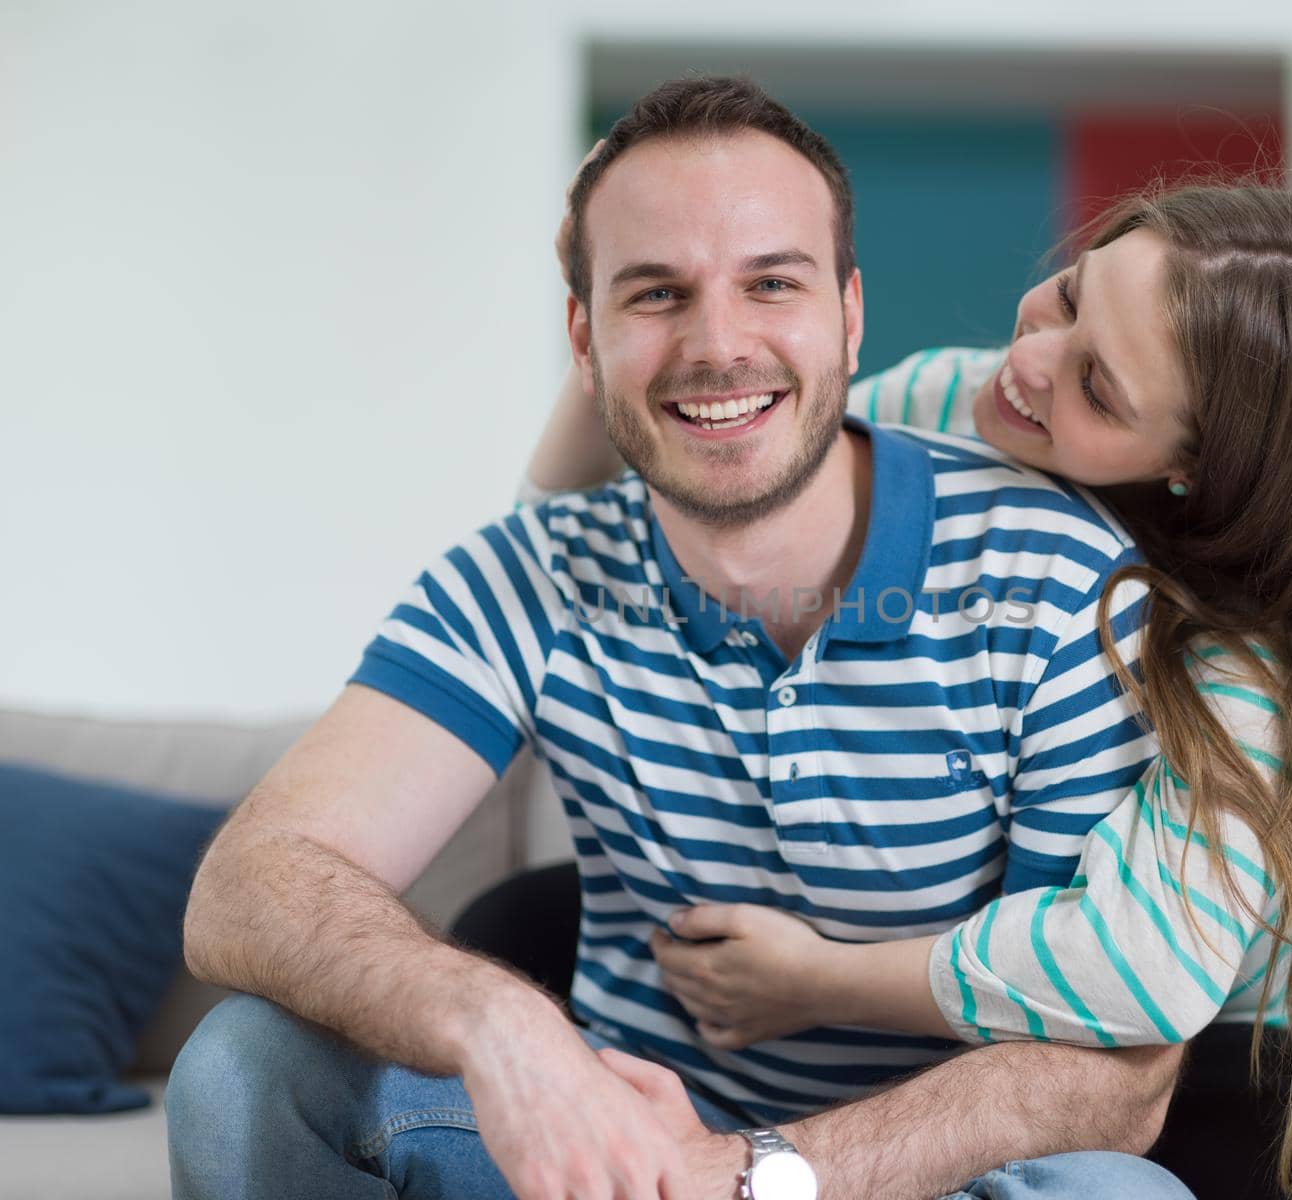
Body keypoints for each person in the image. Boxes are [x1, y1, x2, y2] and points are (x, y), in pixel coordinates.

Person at [165, 76, 1197, 1200]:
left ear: (849, 313)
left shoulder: (1061, 581)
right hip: (606, 1166)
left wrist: (761, 1174)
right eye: (656, 293)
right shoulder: (531, 575)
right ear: (585, 335)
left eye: (771, 284)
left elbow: (1115, 1078)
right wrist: (498, 1025)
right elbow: (251, 881)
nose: (717, 344)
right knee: (243, 1070)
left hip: (918, 1177)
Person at [523, 165, 1292, 1199]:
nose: (1028, 359)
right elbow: (602, 525)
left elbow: (1136, 974)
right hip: (939, 927)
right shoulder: (954, 402)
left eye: (1097, 386)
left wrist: (812, 983)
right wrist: (617, 323)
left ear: (1188, 469)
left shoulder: (1238, 664)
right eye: (1070, 294)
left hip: (1207, 1053)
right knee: (520, 928)